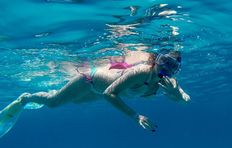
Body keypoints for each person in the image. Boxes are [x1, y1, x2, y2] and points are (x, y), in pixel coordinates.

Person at [0, 49, 190, 138]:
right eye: (164, 62)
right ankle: (25, 98)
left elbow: (185, 102)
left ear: (176, 71)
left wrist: (178, 94)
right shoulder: (141, 72)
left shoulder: (169, 83)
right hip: (89, 80)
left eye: (172, 67)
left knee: (77, 102)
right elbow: (109, 94)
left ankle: (58, 92)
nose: (165, 68)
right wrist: (135, 116)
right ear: (156, 60)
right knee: (53, 103)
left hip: (97, 92)